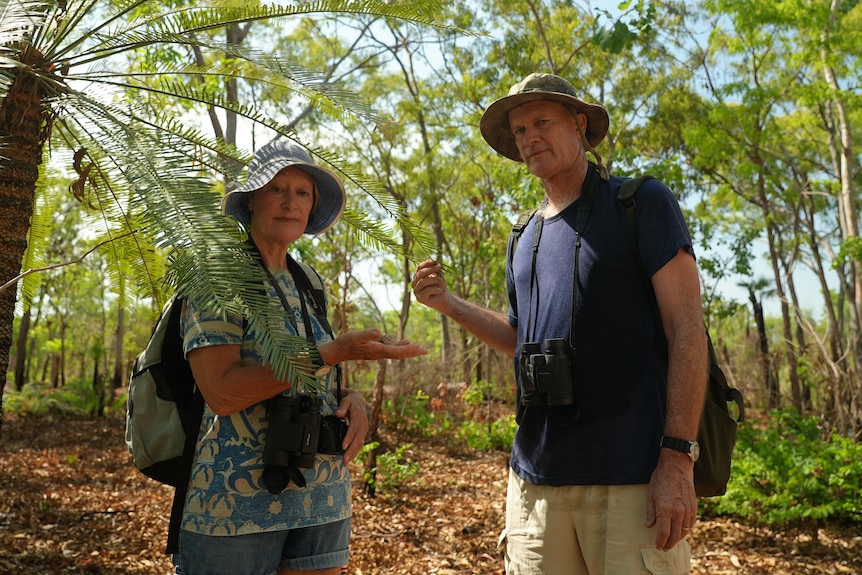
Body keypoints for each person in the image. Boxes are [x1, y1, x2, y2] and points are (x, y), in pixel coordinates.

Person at [413, 73, 708, 574]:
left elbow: (687, 330)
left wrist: (678, 459)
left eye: (542, 122)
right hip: (534, 484)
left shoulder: (639, 205)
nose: (530, 138)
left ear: (580, 125)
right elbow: (518, 339)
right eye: (520, 129)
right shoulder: (522, 234)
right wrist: (449, 304)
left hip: (631, 479)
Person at [174, 138, 427, 575]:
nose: (290, 202)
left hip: (322, 495)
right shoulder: (218, 275)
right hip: (234, 507)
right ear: (252, 200)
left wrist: (354, 398)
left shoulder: (309, 280)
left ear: (311, 208)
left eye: (303, 192)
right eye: (277, 189)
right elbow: (221, 392)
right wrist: (332, 351)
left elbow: (318, 371)